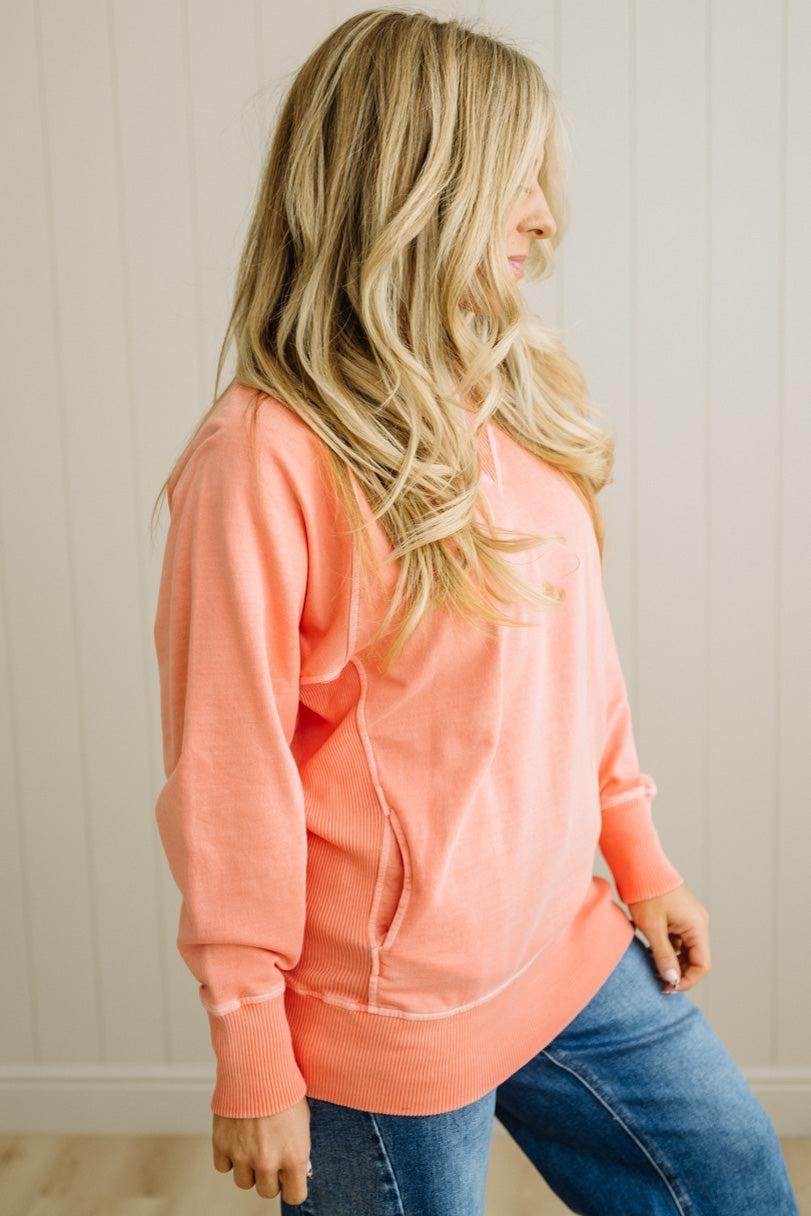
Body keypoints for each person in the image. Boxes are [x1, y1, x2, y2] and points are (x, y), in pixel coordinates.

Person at [149, 9, 799, 1214]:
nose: (546, 219)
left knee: (736, 1185)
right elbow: (228, 770)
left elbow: (574, 665)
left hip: (565, 943)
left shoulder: (507, 397)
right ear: (411, 184)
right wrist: (249, 1035)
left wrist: (636, 851)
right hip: (389, 1018)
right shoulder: (264, 455)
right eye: (518, 182)